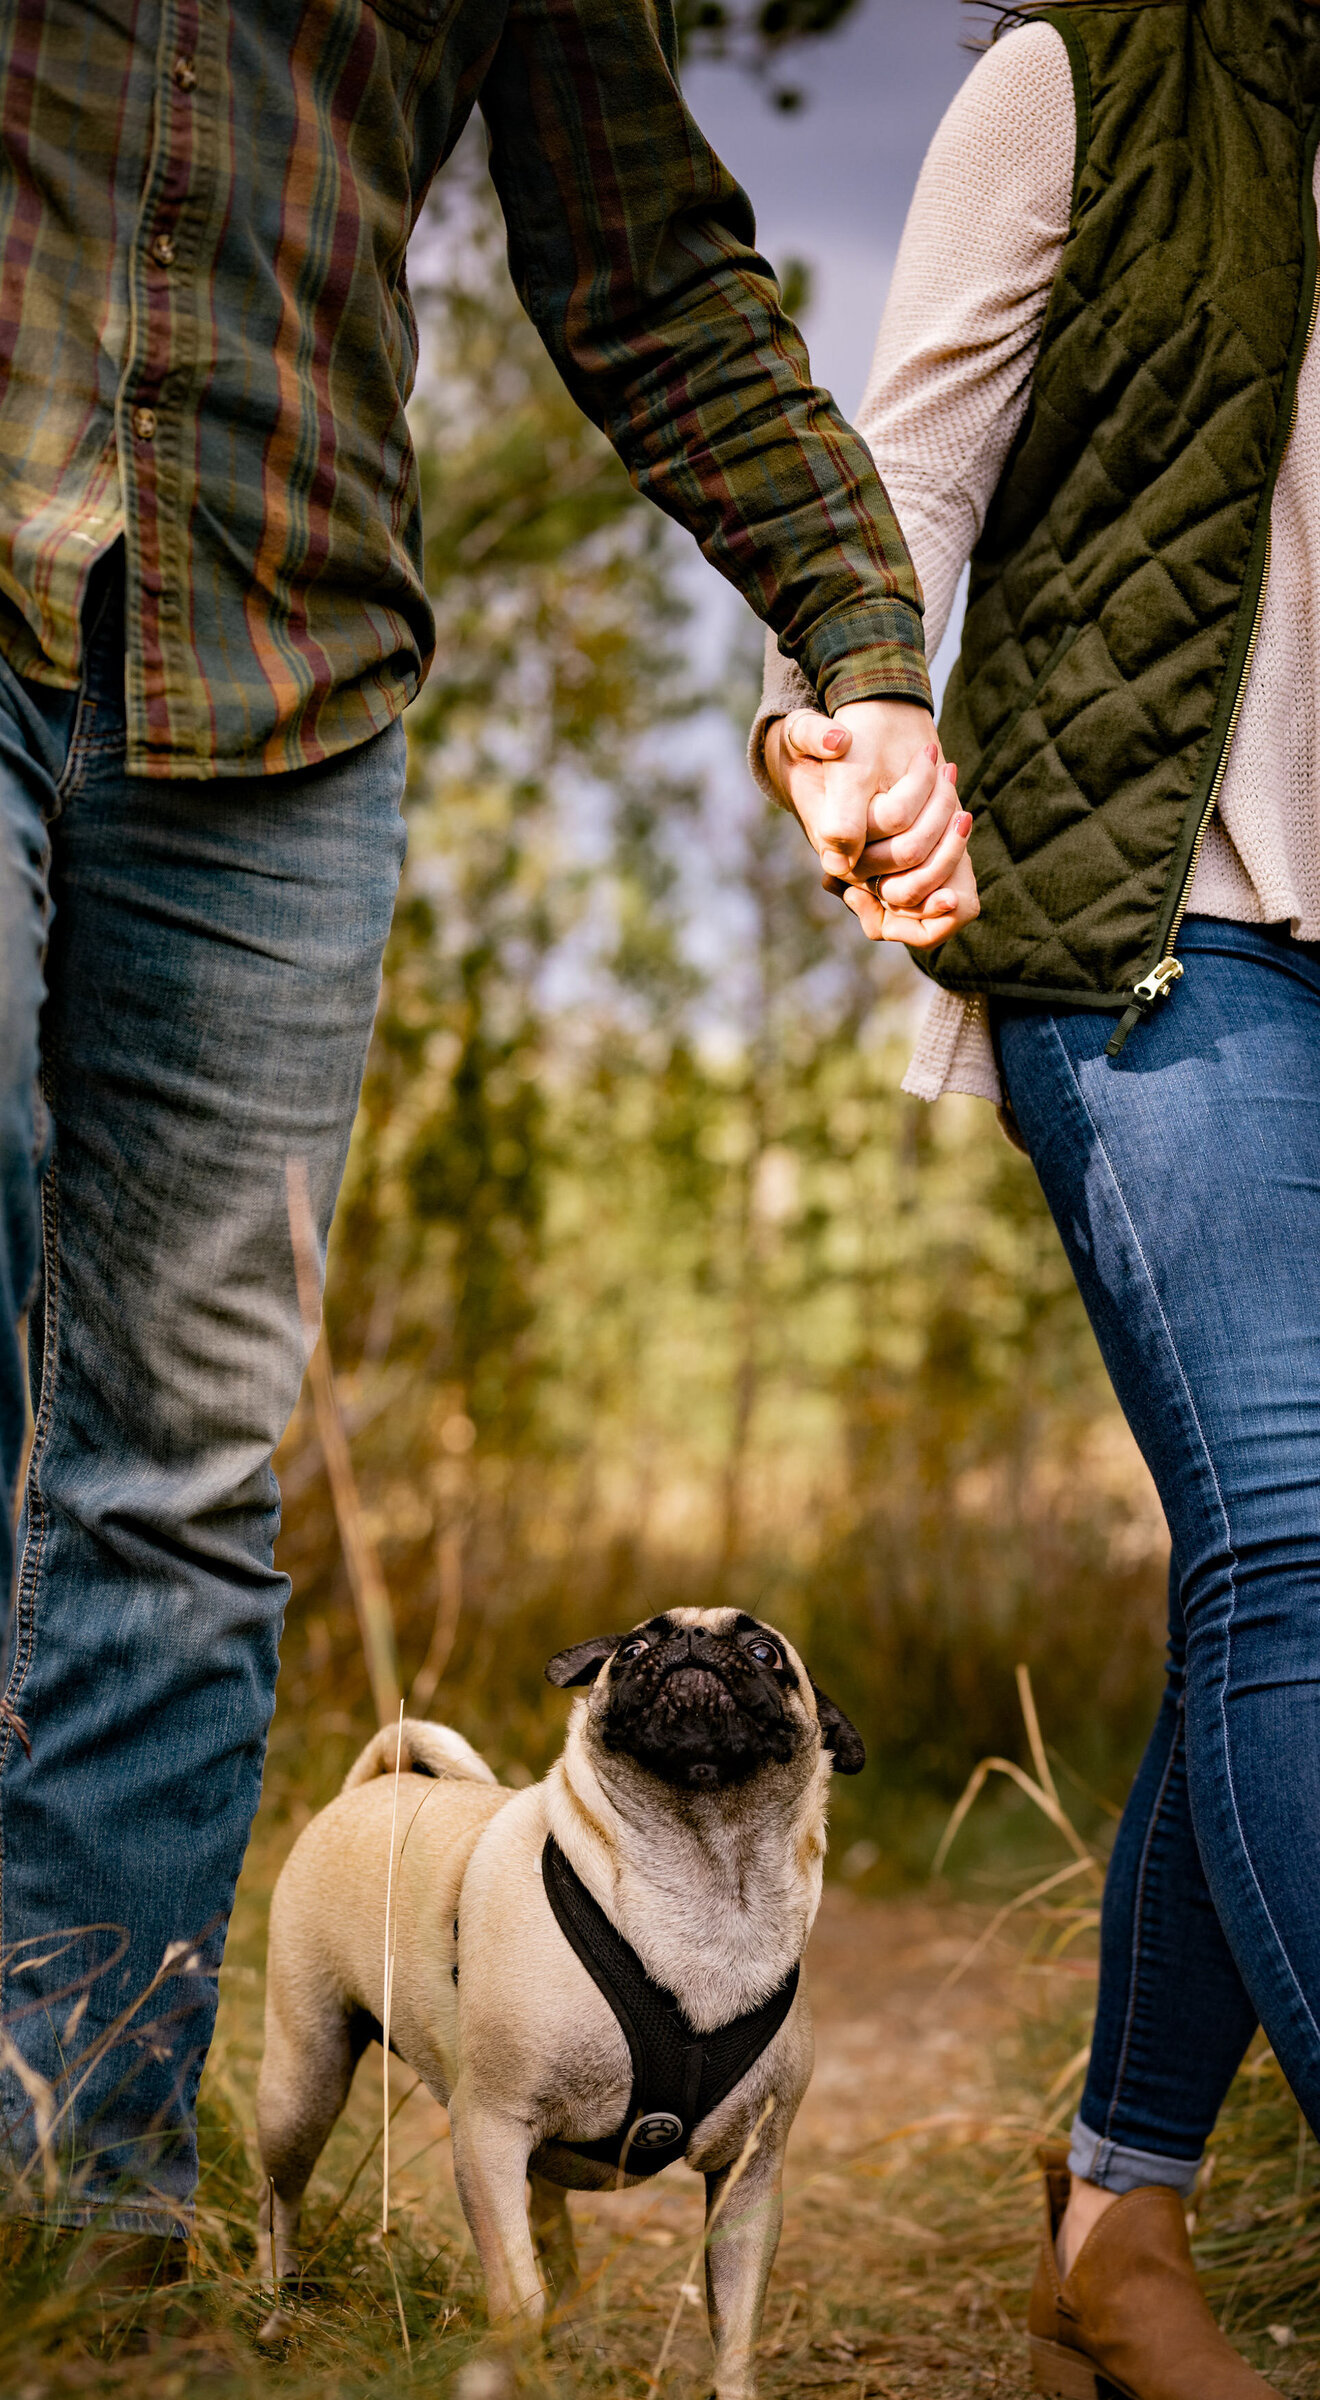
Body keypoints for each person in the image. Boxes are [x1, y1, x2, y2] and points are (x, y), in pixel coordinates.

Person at [0, 0, 978, 2300]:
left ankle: (84, 2217)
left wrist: (858, 644)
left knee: (182, 1467)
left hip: (277, 648)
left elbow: (647, 256)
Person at [761, 4, 1320, 2395]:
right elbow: (898, 481)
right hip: (1159, 917)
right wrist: (853, 716)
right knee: (1301, 1532)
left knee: (1253, 1578)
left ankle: (1114, 2217)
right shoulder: (1088, 67)